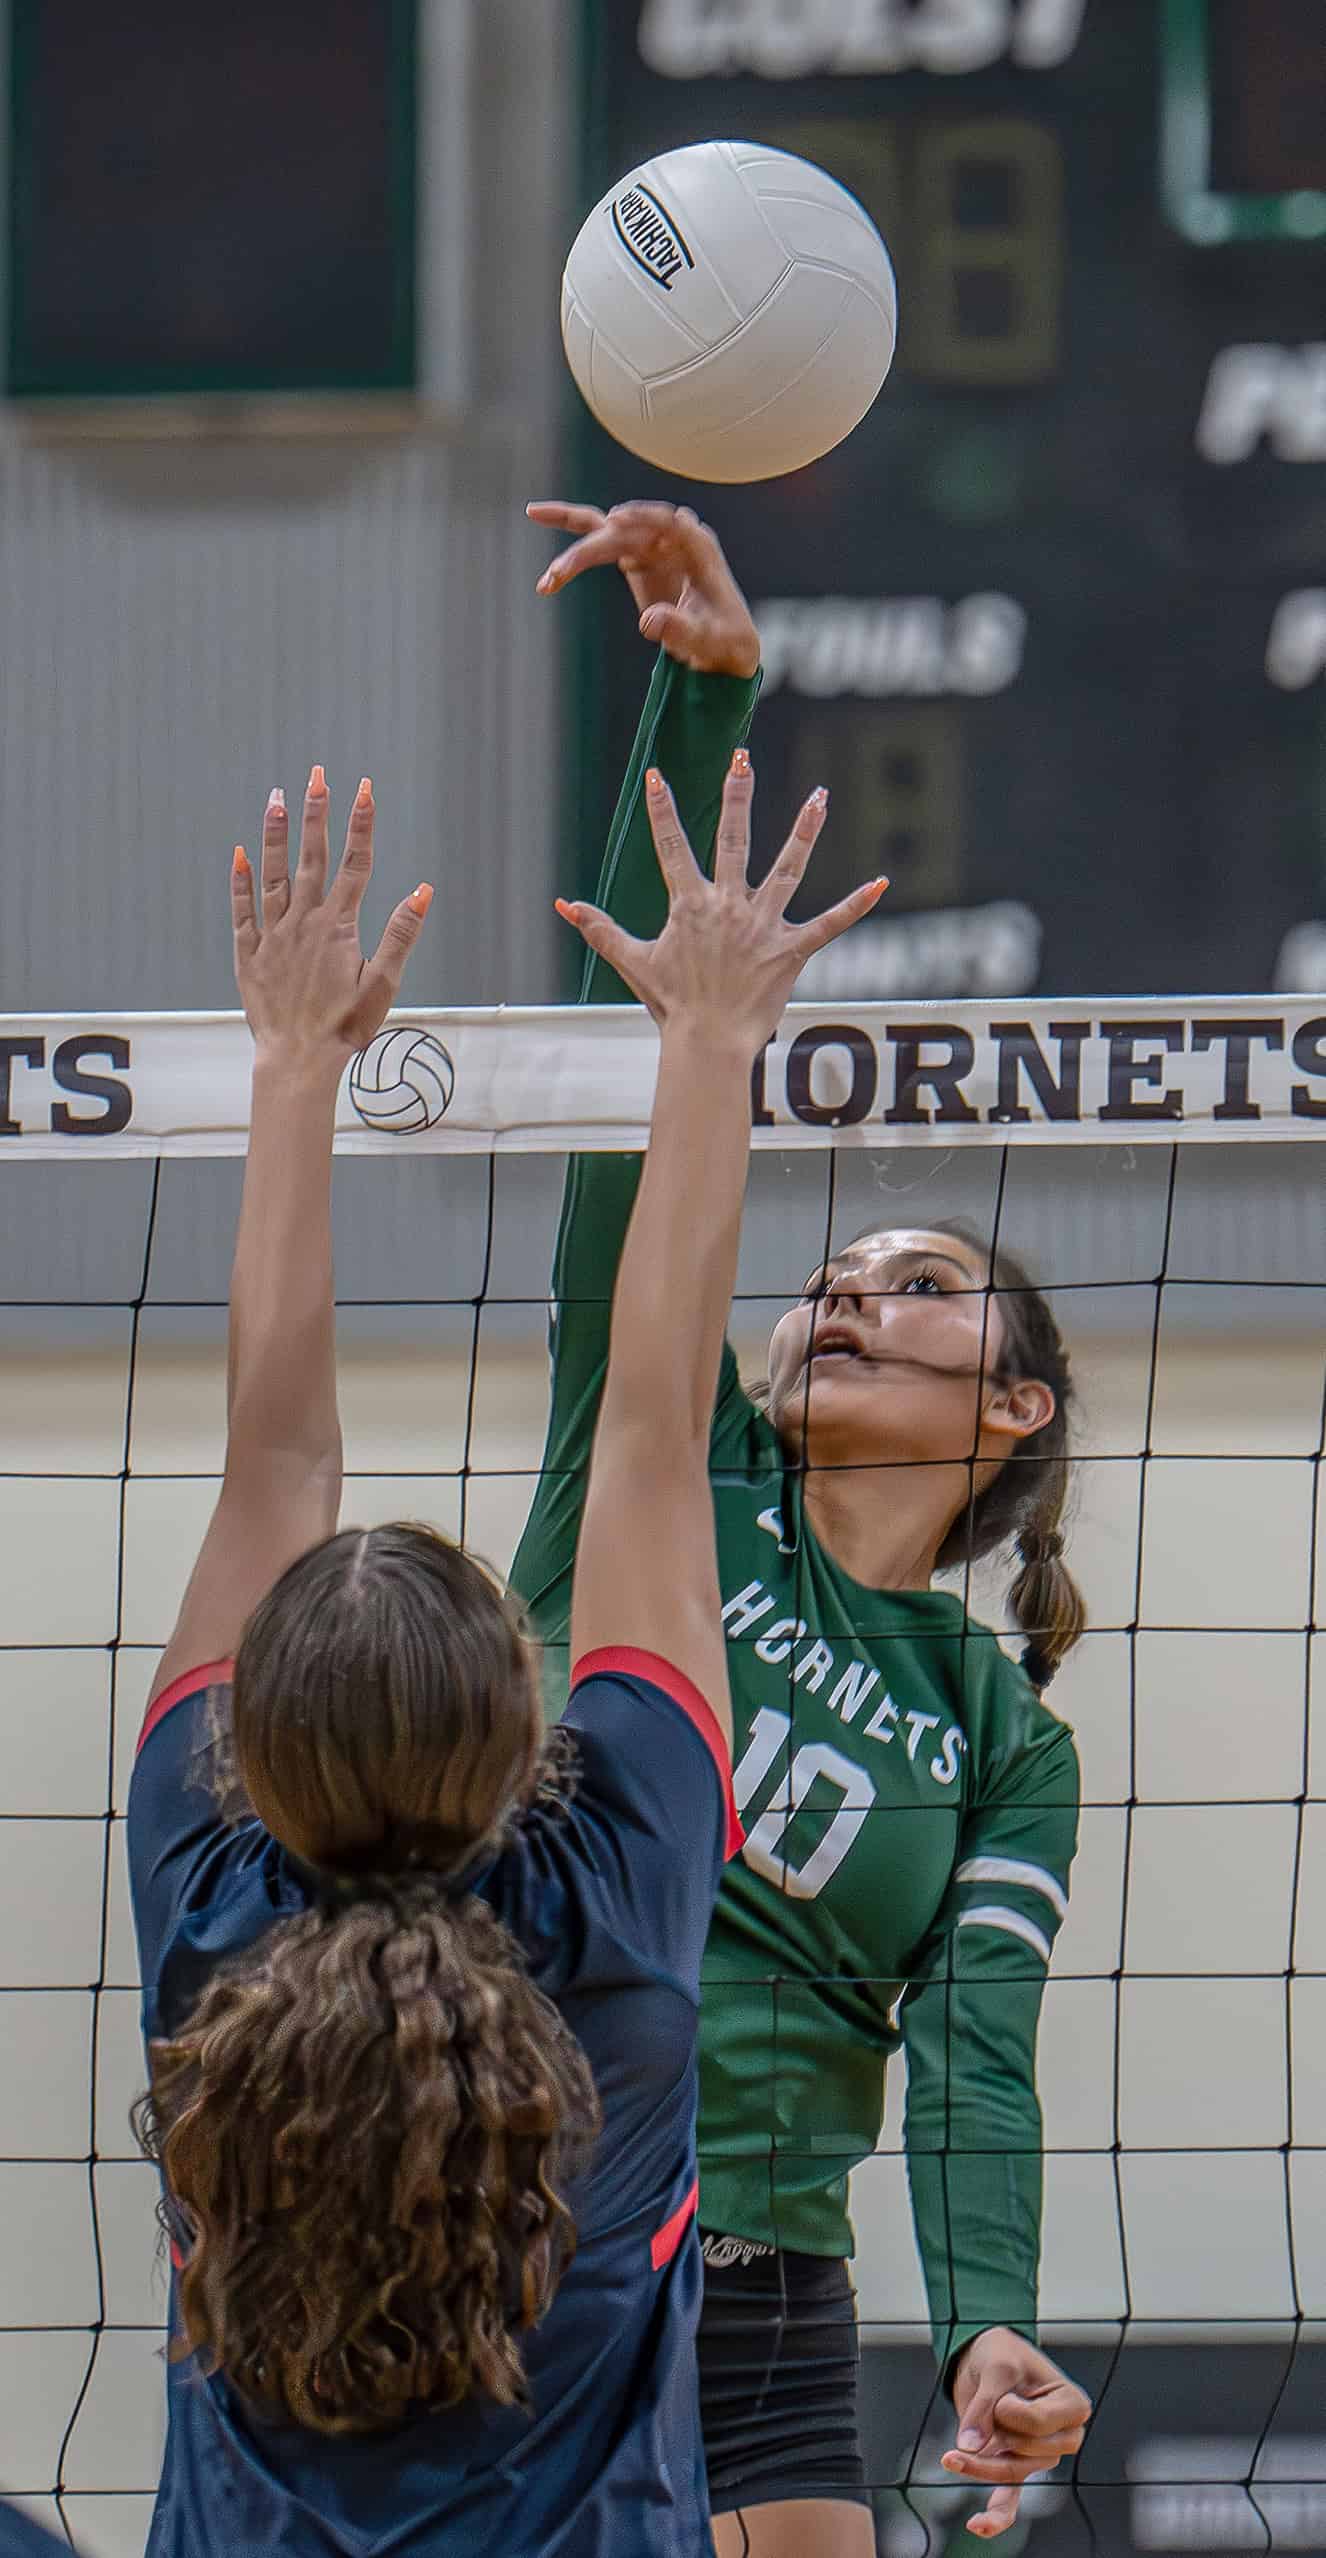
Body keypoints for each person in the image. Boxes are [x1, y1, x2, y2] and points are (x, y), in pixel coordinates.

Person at [127, 758, 880, 2554]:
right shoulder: (614, 1886)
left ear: (251, 1739)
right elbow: (647, 1440)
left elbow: (271, 1463)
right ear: (525, 1718)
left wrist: (293, 1061)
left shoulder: (208, 1911)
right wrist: (706, 1046)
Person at [511, 499, 1095, 2551]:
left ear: (1011, 1404)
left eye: (919, 1283)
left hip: (768, 2279)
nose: (848, 1287)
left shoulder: (1000, 1732)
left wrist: (993, 2324)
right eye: (837, 1269)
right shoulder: (673, 1479)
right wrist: (698, 699)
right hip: (519, 2219)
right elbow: (620, 1156)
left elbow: (977, 2057)